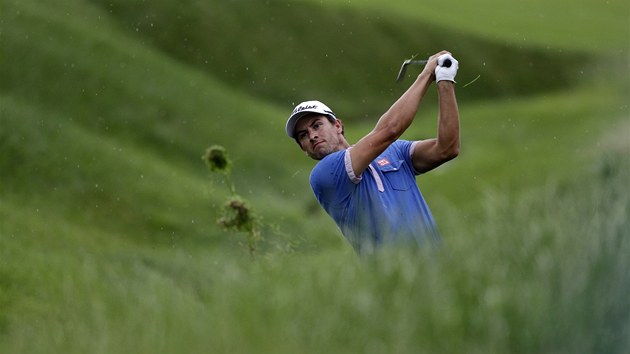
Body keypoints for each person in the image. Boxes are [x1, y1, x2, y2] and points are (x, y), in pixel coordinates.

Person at [285, 50, 460, 254]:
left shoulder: (394, 151)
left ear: (338, 126)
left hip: (440, 269)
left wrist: (445, 80)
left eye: (316, 125)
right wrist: (427, 74)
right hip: (396, 281)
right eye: (303, 135)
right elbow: (390, 129)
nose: (312, 136)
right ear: (303, 148)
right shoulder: (325, 174)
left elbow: (447, 148)